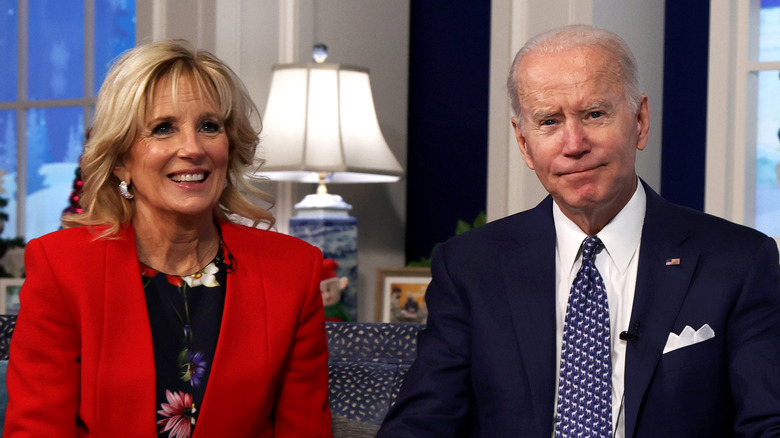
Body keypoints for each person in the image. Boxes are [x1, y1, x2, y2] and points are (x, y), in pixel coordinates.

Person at [378, 25, 780, 437]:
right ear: (523, 142)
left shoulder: (738, 261)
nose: (574, 144)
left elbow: (769, 423)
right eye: (549, 122)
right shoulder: (470, 266)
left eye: (594, 114)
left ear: (640, 121)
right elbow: (420, 424)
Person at [4, 40, 332, 437]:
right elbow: (39, 429)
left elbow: (304, 429)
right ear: (122, 160)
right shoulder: (62, 268)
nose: (192, 148)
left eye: (209, 126)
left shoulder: (293, 271)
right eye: (163, 129)